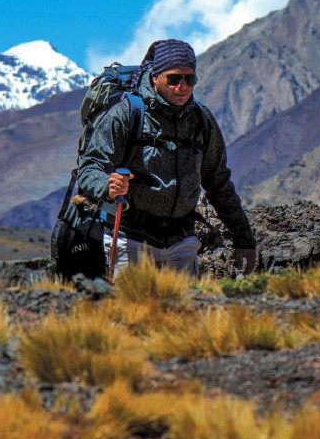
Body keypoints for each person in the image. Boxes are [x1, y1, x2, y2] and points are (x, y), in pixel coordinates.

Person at [76, 39, 257, 276]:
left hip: (182, 243)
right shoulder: (126, 115)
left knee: (184, 313)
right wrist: (106, 185)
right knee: (131, 313)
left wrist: (244, 238)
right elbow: (89, 168)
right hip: (130, 241)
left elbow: (218, 183)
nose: (182, 86)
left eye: (189, 79)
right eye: (173, 79)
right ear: (155, 77)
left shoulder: (201, 121)